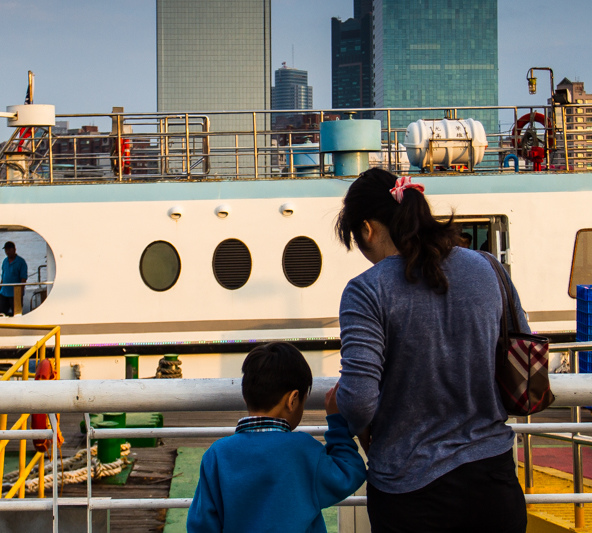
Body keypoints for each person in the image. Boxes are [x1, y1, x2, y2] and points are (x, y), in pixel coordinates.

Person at [334, 169, 527, 533]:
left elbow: (358, 399)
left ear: (367, 228)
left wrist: (355, 423)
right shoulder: (488, 268)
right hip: (493, 481)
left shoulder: (366, 291)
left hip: (410, 493)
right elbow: (521, 350)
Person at [187, 342, 366, 533]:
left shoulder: (216, 454)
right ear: (293, 400)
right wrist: (337, 422)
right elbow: (349, 472)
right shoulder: (303, 451)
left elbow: (202, 525)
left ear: (246, 395)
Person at [0, 241, 27, 316]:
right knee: (0, 313)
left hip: (15, 293)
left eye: (9, 250)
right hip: (4, 292)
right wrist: (0, 287)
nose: (7, 252)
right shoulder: (5, 261)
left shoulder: (21, 262)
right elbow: (3, 275)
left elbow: (23, 278)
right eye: (6, 250)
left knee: (16, 313)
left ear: (14, 249)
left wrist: (20, 292)